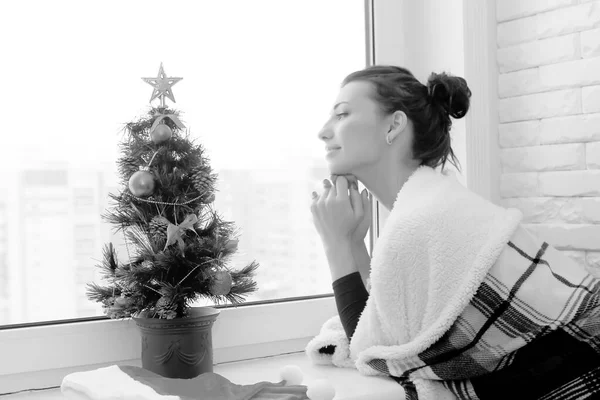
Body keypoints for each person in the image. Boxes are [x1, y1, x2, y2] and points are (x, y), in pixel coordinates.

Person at [308, 65, 600, 400]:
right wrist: (350, 242)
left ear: (394, 125)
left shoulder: (422, 218)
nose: (323, 132)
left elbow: (373, 353)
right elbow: (377, 326)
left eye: (342, 115)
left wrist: (336, 246)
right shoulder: (429, 205)